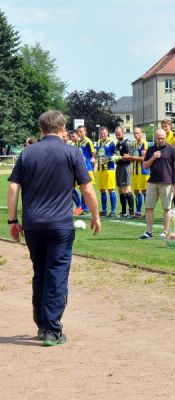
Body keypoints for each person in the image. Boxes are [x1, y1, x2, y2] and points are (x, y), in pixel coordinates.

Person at [7, 110, 101, 346]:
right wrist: (96, 216)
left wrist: (12, 221)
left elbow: (12, 188)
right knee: (56, 274)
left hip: (33, 224)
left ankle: (41, 323)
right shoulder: (72, 152)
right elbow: (87, 189)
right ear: (62, 129)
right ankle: (51, 330)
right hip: (60, 224)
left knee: (40, 272)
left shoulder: (28, 153)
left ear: (41, 130)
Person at [139, 129, 175, 239]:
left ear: (166, 137)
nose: (160, 140)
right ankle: (148, 232)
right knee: (149, 207)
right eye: (158, 138)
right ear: (155, 137)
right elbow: (145, 166)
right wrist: (153, 157)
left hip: (167, 182)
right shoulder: (151, 149)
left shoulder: (172, 149)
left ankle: (165, 231)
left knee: (167, 208)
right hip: (152, 182)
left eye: (162, 138)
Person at [96, 127, 118, 217]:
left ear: (107, 133)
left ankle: (113, 211)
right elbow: (96, 153)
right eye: (101, 133)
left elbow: (117, 155)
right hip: (100, 170)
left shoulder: (112, 142)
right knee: (102, 190)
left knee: (111, 189)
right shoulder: (98, 142)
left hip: (109, 170)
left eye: (104, 133)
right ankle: (104, 210)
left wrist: (108, 159)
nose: (103, 135)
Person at [114, 126, 135, 218]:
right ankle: (123, 212)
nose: (118, 136)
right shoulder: (118, 144)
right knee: (120, 190)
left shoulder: (127, 143)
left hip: (125, 167)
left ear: (123, 133)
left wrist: (119, 157)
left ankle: (131, 212)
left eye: (119, 134)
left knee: (127, 189)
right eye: (116, 134)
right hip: (119, 166)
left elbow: (130, 157)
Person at [130, 127, 150, 219]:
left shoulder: (144, 143)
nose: (136, 135)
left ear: (141, 133)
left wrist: (131, 157)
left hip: (143, 171)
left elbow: (143, 158)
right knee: (136, 191)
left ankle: (147, 212)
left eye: (137, 133)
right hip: (135, 171)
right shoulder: (133, 144)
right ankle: (138, 212)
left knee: (145, 192)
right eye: (134, 133)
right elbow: (132, 156)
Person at [77, 125, 96, 215]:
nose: (79, 133)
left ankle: (88, 207)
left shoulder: (88, 141)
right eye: (78, 132)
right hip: (81, 168)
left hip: (88, 168)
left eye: (81, 131)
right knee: (82, 189)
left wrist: (92, 160)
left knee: (88, 189)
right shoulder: (78, 142)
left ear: (85, 132)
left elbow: (93, 154)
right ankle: (83, 208)